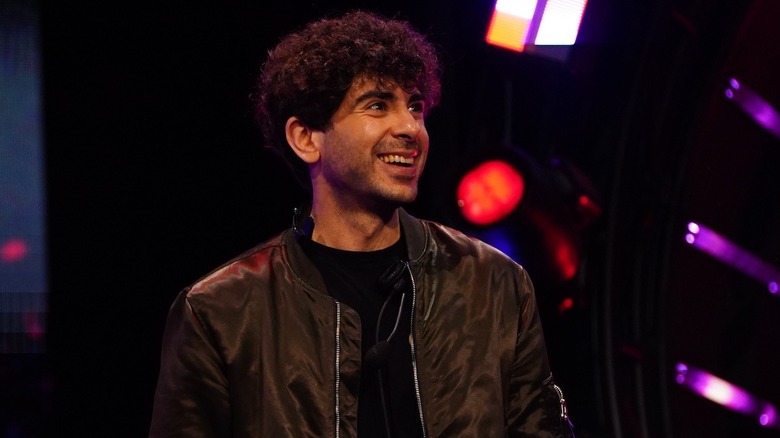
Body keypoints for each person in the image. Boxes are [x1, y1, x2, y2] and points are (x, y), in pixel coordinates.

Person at [150, 10, 574, 438]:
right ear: (307, 139)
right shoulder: (219, 311)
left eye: (415, 106)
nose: (410, 127)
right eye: (377, 105)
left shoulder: (495, 282)